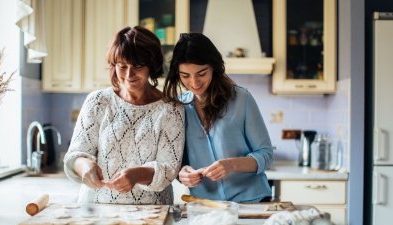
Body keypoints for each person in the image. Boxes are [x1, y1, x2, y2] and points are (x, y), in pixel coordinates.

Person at [64, 26, 185, 204]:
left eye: (137, 66)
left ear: (151, 66)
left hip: (151, 213)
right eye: (122, 66)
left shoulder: (171, 109)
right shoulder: (98, 101)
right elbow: (75, 155)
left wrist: (136, 175)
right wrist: (85, 166)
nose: (129, 74)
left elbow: (169, 169)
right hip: (96, 209)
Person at [163, 33, 273, 203]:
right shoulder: (179, 109)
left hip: (252, 202)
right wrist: (183, 174)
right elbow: (180, 163)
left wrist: (231, 164)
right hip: (206, 207)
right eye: (185, 76)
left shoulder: (242, 99)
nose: (194, 82)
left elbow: (265, 155)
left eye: (201, 73)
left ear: (213, 67)